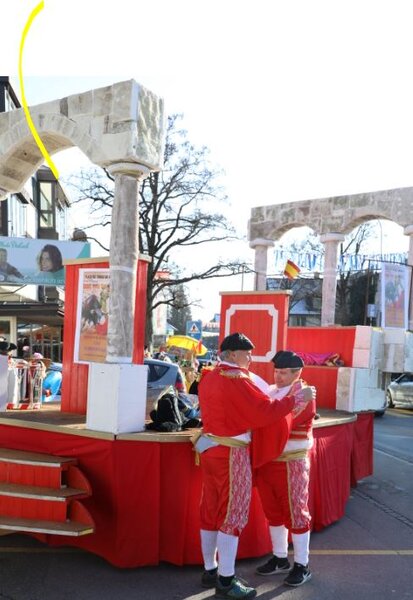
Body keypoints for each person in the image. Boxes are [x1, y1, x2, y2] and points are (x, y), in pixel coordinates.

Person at [196, 333, 315, 599]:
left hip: (213, 449)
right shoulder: (238, 379)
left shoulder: (209, 375)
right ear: (233, 354)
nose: (251, 358)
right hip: (232, 452)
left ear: (296, 373)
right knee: (233, 514)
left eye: (284, 372)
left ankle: (211, 570)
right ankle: (226, 579)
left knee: (212, 510)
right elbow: (264, 413)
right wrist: (295, 399)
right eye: (247, 353)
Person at [255, 350, 316, 587]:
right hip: (269, 461)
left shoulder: (304, 394)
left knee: (296, 511)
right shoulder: (273, 391)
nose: (278, 376)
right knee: (273, 512)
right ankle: (280, 558)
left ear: (296, 373)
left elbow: (279, 421)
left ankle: (302, 564)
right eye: (277, 372)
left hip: (291, 461)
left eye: (283, 373)